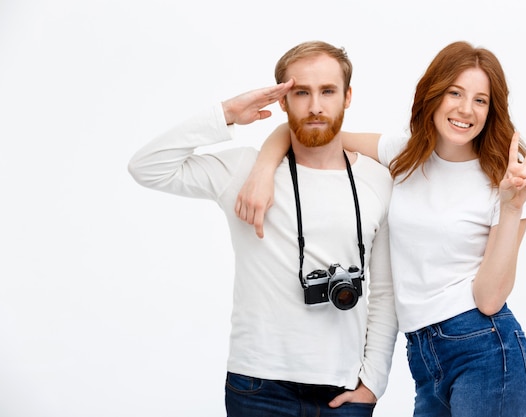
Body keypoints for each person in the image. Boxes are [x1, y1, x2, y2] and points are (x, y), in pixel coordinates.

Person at [235, 41, 526, 417]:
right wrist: (263, 170)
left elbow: (490, 299)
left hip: (486, 351)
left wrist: (512, 209)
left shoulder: (506, 182)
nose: (466, 109)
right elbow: (312, 131)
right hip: (423, 355)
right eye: (455, 93)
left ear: (491, 110)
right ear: (433, 94)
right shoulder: (405, 154)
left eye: (481, 100)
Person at [127, 41, 398, 417]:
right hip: (258, 384)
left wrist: (374, 382)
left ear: (347, 97)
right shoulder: (244, 171)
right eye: (301, 92)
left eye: (328, 91)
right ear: (283, 101)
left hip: (345, 387)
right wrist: (228, 113)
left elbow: (384, 292)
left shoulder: (376, 181)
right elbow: (147, 167)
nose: (315, 106)